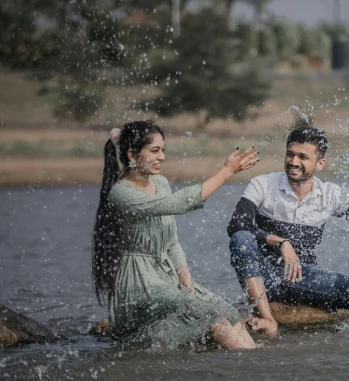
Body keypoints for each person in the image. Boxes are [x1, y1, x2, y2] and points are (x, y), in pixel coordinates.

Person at [227, 127, 349, 336]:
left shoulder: (330, 195)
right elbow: (237, 225)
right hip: (265, 277)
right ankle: (268, 319)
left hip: (304, 279)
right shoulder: (263, 184)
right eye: (290, 154)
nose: (294, 162)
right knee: (240, 238)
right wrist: (280, 242)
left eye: (303, 157)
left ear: (319, 163)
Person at [92, 121, 264, 350]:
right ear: (132, 154)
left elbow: (171, 240)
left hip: (165, 277)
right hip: (138, 284)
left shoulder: (161, 183)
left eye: (163, 150)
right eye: (155, 151)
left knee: (228, 312)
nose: (162, 157)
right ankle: (251, 365)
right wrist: (226, 172)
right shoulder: (121, 193)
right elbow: (178, 203)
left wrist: (186, 279)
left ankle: (257, 361)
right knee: (206, 313)